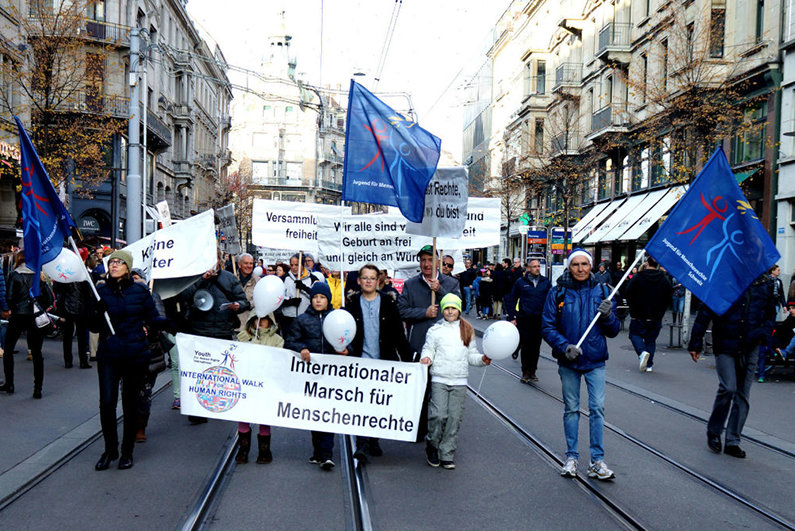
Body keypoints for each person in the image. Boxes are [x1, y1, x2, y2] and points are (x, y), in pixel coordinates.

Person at [541, 248, 619, 480]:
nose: (581, 269)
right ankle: (572, 457)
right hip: (569, 361)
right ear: (569, 267)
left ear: (591, 266)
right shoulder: (558, 293)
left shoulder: (603, 291)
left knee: (597, 409)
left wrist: (608, 316)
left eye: (585, 264)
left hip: (595, 361)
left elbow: (613, 331)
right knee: (572, 409)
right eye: (576, 264)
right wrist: (564, 346)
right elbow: (547, 326)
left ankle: (597, 461)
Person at [91, 250, 169, 470]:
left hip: (135, 354)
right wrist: (96, 312)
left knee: (130, 403)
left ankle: (127, 452)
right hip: (110, 354)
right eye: (111, 262)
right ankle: (110, 450)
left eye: (119, 262)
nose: (114, 265)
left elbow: (153, 317)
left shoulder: (140, 291)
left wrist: (156, 325)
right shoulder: (101, 292)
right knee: (107, 403)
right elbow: (93, 326)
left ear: (127, 267)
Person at [688, 274, 775, 458]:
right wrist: (695, 342)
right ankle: (715, 430)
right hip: (726, 342)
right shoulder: (723, 279)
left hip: (750, 344)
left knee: (743, 393)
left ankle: (733, 440)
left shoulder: (764, 283)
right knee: (728, 387)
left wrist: (764, 336)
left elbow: (769, 313)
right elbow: (705, 312)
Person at [348, 264, 413, 462]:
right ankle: (362, 444)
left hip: (383, 363)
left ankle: (374, 439)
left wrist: (409, 360)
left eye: (372, 278)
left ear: (379, 281)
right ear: (359, 281)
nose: (368, 281)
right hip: (360, 361)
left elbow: (398, 335)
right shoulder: (351, 305)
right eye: (364, 278)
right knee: (361, 403)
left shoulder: (388, 303)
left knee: (377, 402)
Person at [284, 282, 350, 471]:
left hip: (332, 374)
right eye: (315, 297)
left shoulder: (337, 318)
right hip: (311, 375)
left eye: (322, 297)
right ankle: (317, 451)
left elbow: (349, 340)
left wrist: (346, 350)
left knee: (328, 412)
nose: (318, 300)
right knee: (314, 413)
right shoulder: (302, 320)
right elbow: (291, 341)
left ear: (328, 299)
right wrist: (301, 348)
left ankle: (326, 454)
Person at [420, 293, 490, 469]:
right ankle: (432, 445)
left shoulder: (467, 330)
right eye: (447, 308)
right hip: (440, 379)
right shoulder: (435, 331)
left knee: (453, 418)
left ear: (458, 310)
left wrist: (482, 359)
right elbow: (428, 349)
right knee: (438, 415)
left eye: (454, 308)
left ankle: (447, 453)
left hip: (459, 381)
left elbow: (471, 355)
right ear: (442, 310)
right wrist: (426, 358)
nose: (450, 312)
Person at [181, 250, 250, 424]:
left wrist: (237, 305)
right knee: (199, 373)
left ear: (220, 260)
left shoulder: (229, 278)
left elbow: (244, 301)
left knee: (220, 374)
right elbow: (184, 296)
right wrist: (201, 280)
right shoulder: (195, 277)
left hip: (222, 331)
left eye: (216, 258)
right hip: (199, 331)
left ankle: (218, 405)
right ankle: (197, 410)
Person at [0, 251, 52, 397]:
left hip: (18, 315)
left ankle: (9, 383)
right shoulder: (39, 276)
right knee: (36, 352)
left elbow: (9, 297)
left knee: (9, 349)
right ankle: (38, 389)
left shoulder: (15, 274)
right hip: (34, 316)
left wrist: (12, 306)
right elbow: (49, 298)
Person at [235, 311, 284, 463]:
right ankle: (243, 449)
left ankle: (264, 450)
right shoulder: (244, 337)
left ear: (271, 321)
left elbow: (279, 359)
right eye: (257, 319)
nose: (260, 322)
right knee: (244, 416)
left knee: (264, 415)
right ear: (251, 321)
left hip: (266, 383)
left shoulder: (277, 340)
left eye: (264, 319)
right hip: (247, 383)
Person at [625, 256, 672, 373]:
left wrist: (632, 307)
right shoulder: (664, 279)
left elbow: (628, 292)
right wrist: (661, 310)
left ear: (646, 263)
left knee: (634, 334)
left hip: (639, 314)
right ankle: (649, 364)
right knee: (650, 340)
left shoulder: (638, 277)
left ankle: (642, 352)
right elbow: (668, 297)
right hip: (655, 315)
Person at [507, 259, 551, 383]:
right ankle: (525, 371)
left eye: (538, 266)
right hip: (524, 318)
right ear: (528, 269)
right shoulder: (521, 282)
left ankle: (533, 371)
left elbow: (551, 300)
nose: (537, 268)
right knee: (526, 345)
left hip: (539, 319)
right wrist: (512, 317)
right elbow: (512, 299)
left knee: (536, 346)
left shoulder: (545, 282)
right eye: (534, 266)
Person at [54, 248, 93, 369]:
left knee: (67, 335)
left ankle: (68, 361)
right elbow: (90, 293)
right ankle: (83, 361)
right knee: (81, 336)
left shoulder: (66, 272)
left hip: (67, 307)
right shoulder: (85, 273)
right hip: (82, 308)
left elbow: (57, 289)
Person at [281, 253, 326, 333]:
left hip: (306, 318)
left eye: (297, 265)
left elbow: (317, 296)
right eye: (292, 265)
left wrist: (304, 288)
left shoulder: (313, 279)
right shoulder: (284, 279)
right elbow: (278, 298)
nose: (294, 268)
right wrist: (290, 302)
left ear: (303, 264)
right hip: (288, 318)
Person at [236, 252, 259, 330]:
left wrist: (249, 304)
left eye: (251, 263)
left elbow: (261, 299)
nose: (249, 266)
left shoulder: (258, 281)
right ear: (239, 265)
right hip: (234, 324)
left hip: (250, 326)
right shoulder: (231, 278)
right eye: (246, 263)